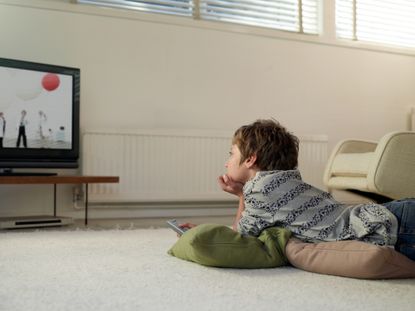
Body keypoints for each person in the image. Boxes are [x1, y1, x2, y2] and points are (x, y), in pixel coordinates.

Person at [180, 119, 415, 261]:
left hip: (395, 230)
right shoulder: (285, 180)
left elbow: (239, 236)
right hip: (395, 216)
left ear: (251, 159)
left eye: (231, 154)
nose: (227, 162)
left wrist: (241, 195)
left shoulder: (259, 191)